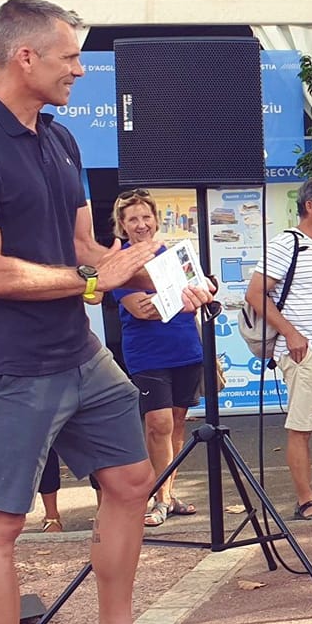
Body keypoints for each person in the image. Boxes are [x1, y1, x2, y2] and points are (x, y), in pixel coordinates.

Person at [0, 0, 207, 624]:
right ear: (24, 57)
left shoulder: (60, 139)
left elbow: (86, 248)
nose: (81, 67)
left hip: (80, 354)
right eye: (69, 56)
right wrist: (93, 282)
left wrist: (152, 276)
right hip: (5, 365)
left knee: (134, 476)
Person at [245, 175, 312, 520]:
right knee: (302, 427)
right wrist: (290, 333)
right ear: (311, 206)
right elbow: (255, 294)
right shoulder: (286, 244)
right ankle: (306, 499)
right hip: (304, 353)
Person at [111, 188, 203, 527]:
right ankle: (160, 498)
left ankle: (167, 492)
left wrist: (193, 292)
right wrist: (184, 295)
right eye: (132, 218)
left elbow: (202, 291)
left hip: (185, 348)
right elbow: (141, 310)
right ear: (122, 224)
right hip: (147, 354)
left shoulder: (174, 254)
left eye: (146, 217)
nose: (141, 224)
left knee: (177, 424)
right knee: (158, 423)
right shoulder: (120, 259)